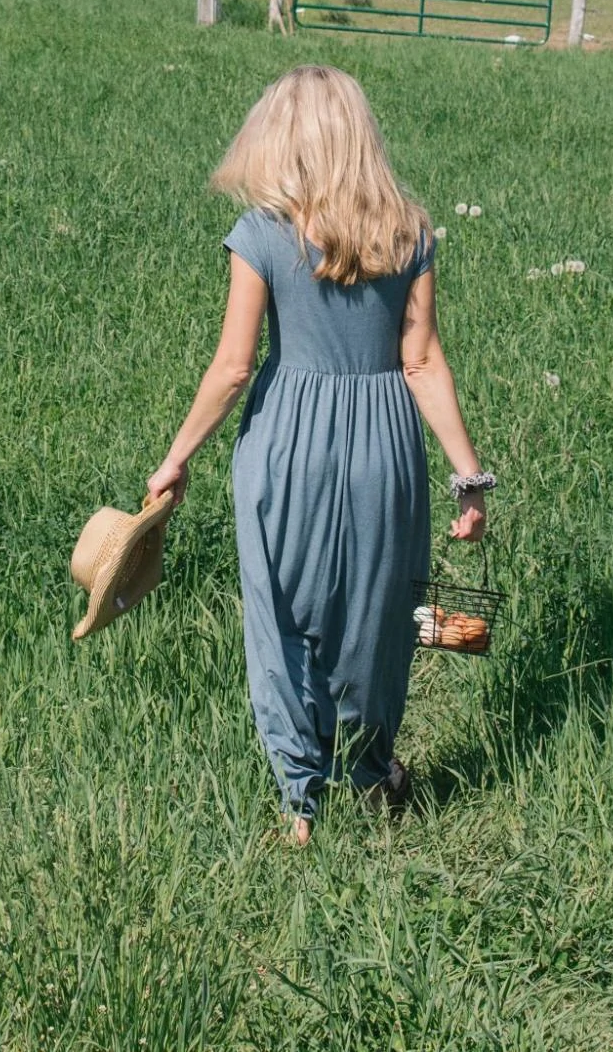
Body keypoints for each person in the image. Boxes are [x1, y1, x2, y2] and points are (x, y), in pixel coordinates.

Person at [147, 65, 491, 842]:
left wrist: (176, 457)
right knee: (377, 617)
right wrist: (469, 478)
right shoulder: (408, 230)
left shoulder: (264, 233)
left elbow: (233, 364)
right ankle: (372, 779)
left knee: (282, 618)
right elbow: (423, 360)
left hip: (284, 443)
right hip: (384, 447)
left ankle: (298, 803)